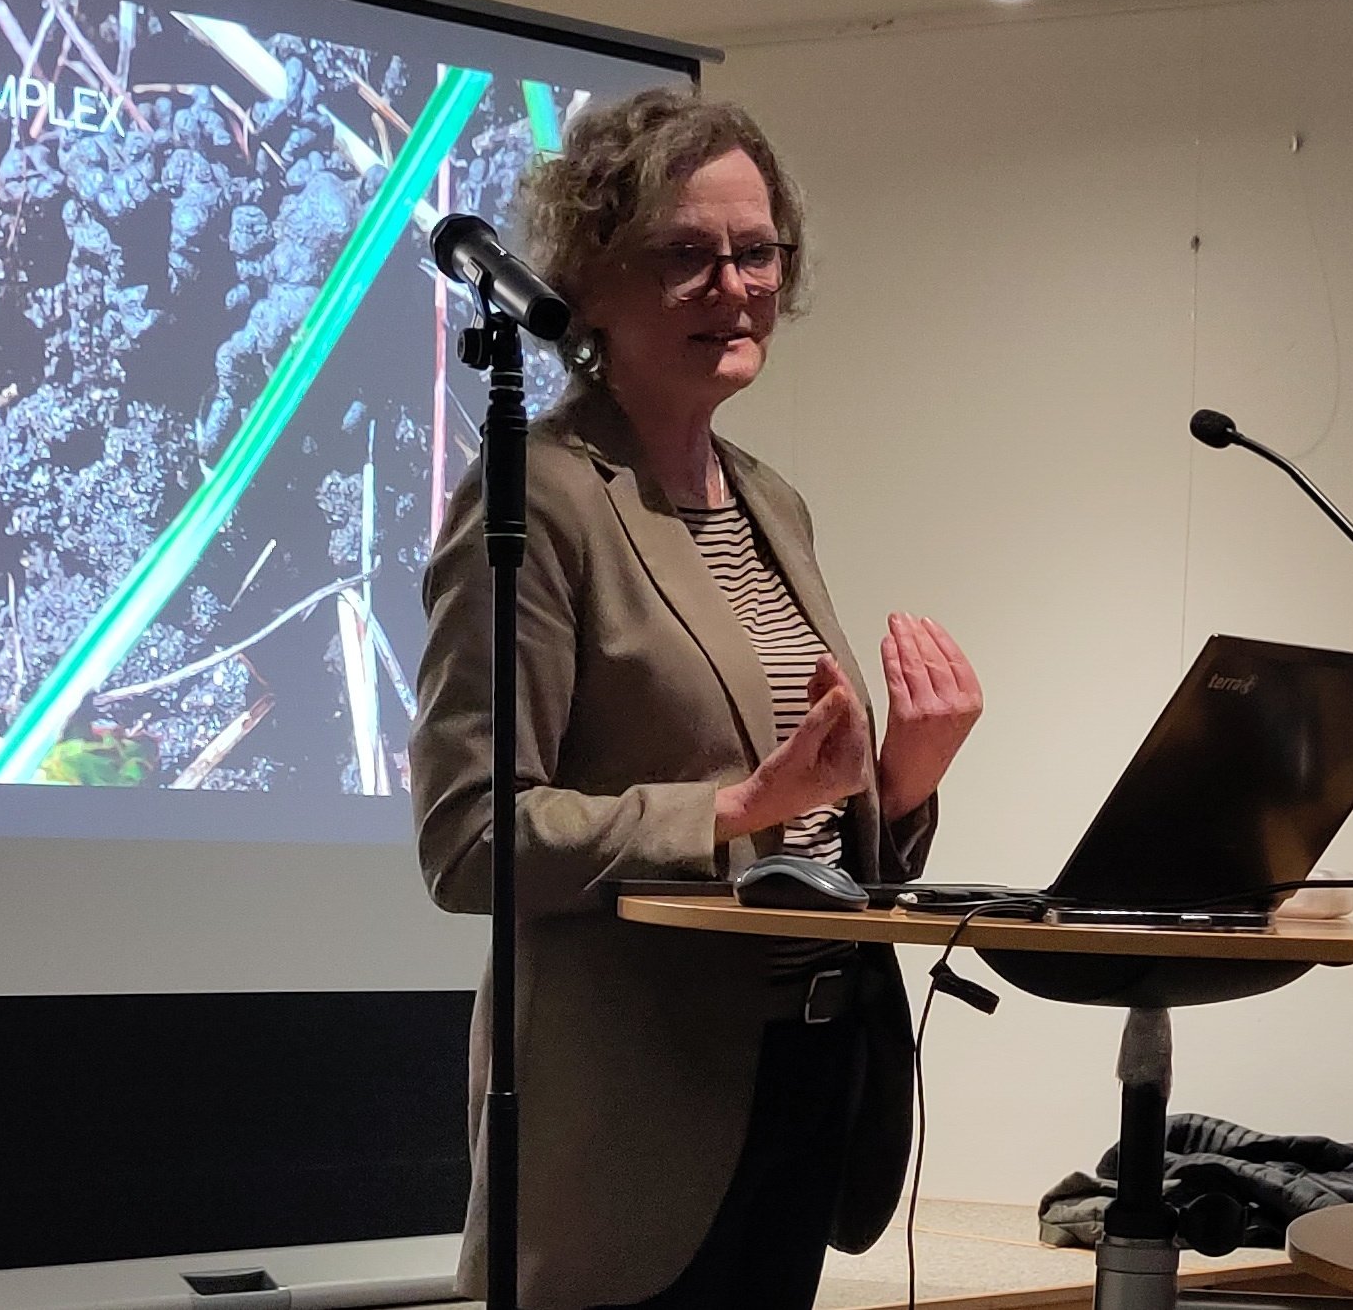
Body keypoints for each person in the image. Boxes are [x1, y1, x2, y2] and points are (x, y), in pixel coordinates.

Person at [410, 88, 985, 1310]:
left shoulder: (772, 501)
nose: (735, 287)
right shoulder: (542, 497)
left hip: (805, 1079)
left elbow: (806, 833)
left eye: (757, 252)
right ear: (590, 280)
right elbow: (469, 839)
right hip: (637, 1116)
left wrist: (900, 787)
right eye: (686, 255)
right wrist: (726, 812)